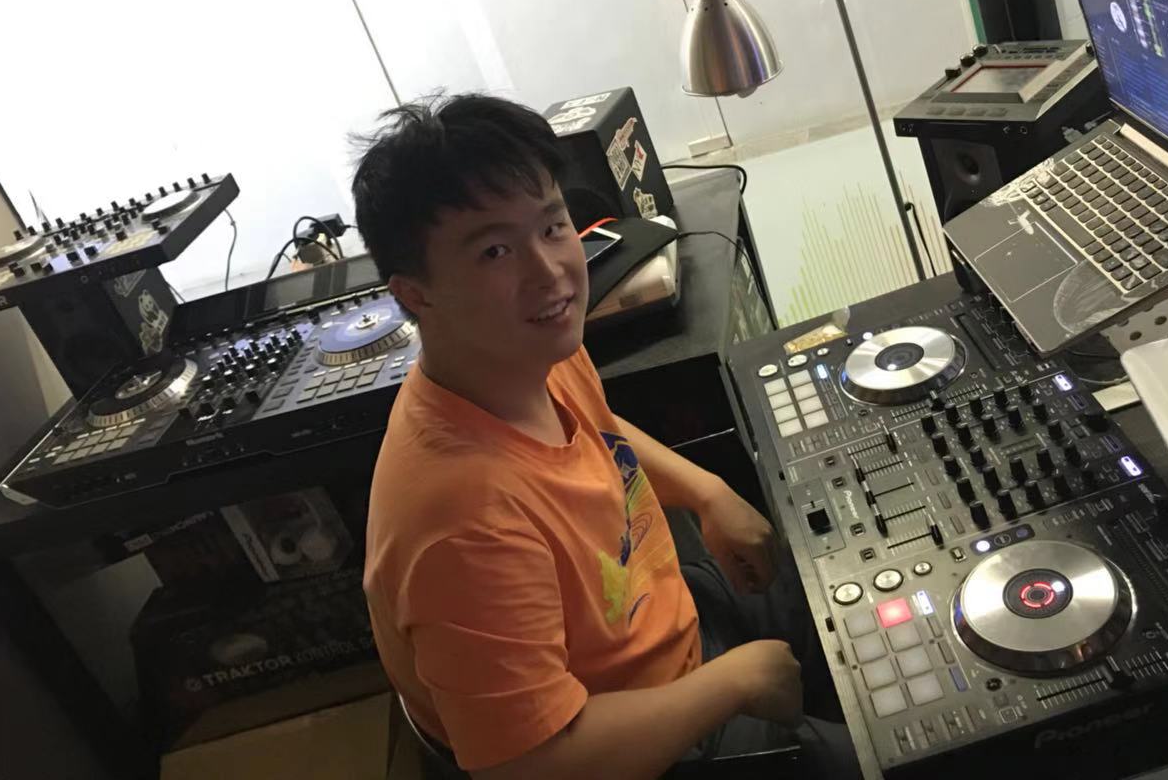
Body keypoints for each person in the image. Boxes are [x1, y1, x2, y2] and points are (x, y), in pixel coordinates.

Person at [353, 93, 859, 779]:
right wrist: (731, 685)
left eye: (552, 225)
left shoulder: (521, 353)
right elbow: (529, 765)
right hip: (633, 740)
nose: (550, 271)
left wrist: (707, 493)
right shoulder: (461, 525)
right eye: (496, 250)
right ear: (415, 293)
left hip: (663, 614)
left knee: (865, 582)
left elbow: (597, 428)